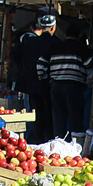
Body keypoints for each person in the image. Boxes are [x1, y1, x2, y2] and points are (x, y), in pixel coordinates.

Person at [38, 22, 93, 142]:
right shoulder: (80, 48)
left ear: (64, 35)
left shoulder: (55, 47)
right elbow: (90, 64)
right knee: (75, 118)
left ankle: (59, 145)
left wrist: (45, 79)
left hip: (56, 86)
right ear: (78, 36)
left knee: (58, 118)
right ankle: (76, 145)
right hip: (74, 87)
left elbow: (40, 64)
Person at [9, 13, 56, 141]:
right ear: (53, 28)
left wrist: (23, 68)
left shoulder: (30, 42)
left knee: (35, 113)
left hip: (30, 84)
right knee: (48, 114)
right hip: (47, 84)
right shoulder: (55, 43)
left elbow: (13, 55)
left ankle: (35, 139)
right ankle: (47, 139)